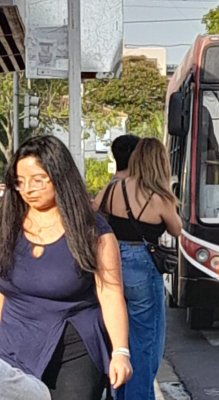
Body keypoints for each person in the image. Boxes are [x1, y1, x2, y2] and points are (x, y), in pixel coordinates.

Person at [0, 135, 132, 400]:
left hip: (73, 350)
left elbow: (110, 293)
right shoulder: (6, 225)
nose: (28, 189)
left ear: (59, 176)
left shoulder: (93, 232)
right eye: (20, 181)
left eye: (38, 180)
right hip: (13, 346)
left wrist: (120, 351)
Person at [94, 137, 182, 400]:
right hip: (142, 267)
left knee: (117, 343)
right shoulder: (159, 197)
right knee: (145, 344)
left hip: (110, 263)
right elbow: (177, 230)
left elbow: (93, 216)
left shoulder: (111, 190)